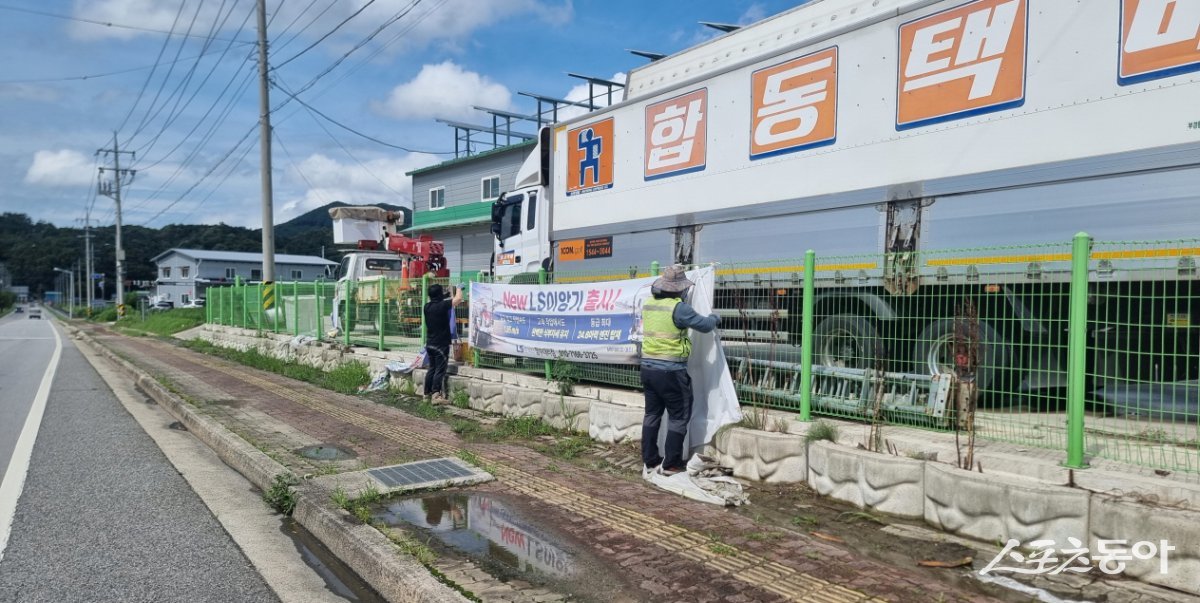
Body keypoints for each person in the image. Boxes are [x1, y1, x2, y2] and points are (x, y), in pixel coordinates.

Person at [639, 264, 720, 475]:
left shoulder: (648, 304)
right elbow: (704, 325)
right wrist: (715, 318)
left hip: (648, 368)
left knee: (651, 415)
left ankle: (650, 460)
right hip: (671, 372)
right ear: (679, 289)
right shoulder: (679, 308)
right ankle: (671, 464)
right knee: (678, 416)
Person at [424, 283, 462, 403]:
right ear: (439, 295)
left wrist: (446, 294)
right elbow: (458, 299)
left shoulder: (427, 307)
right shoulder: (442, 305)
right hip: (441, 344)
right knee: (440, 370)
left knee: (432, 368)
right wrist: (459, 288)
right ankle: (436, 395)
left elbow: (440, 299)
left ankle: (426, 394)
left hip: (430, 343)